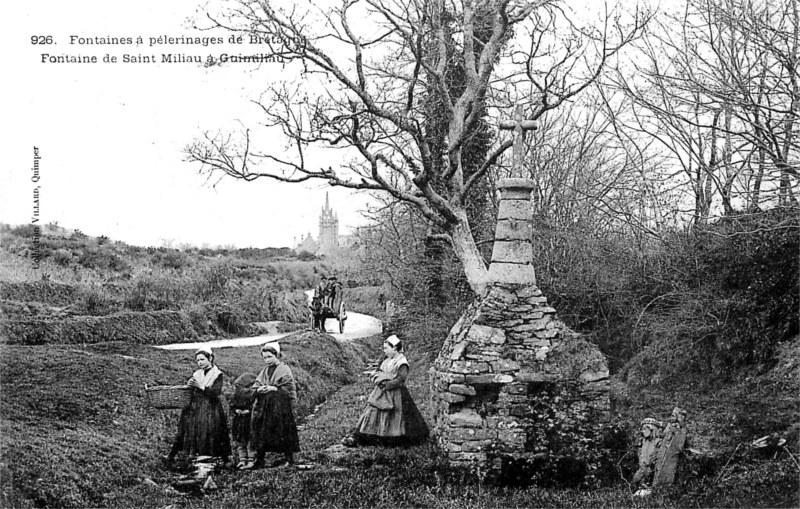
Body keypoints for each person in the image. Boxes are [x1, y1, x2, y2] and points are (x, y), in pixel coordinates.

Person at [343, 335, 429, 447]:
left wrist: (387, 384)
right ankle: (368, 434)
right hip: (381, 391)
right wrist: (379, 378)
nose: (384, 350)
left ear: (394, 348)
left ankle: (392, 437)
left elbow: (400, 380)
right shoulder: (386, 359)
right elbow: (378, 370)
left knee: (396, 416)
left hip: (396, 393)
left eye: (386, 348)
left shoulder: (402, 362)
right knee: (372, 412)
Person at [166, 347, 232, 464]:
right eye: (198, 360)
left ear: (210, 358)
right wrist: (190, 385)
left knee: (212, 430)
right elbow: (192, 391)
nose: (200, 362)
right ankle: (175, 455)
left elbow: (215, 393)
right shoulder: (197, 373)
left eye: (202, 359)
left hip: (211, 407)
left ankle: (222, 458)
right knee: (186, 428)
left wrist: (201, 386)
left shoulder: (217, 374)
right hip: (195, 405)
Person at [242, 341, 300, 469]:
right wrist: (259, 390)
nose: (267, 360)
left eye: (270, 357)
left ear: (277, 355)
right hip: (265, 408)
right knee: (261, 431)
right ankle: (260, 459)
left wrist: (274, 389)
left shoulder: (284, 370)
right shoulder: (264, 372)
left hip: (280, 407)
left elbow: (288, 390)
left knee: (283, 430)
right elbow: (256, 385)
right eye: (265, 357)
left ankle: (288, 459)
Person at [229, 372, 257, 469]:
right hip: (239, 420)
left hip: (251, 420)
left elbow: (256, 405)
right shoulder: (236, 394)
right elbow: (232, 404)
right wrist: (236, 410)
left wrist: (249, 411)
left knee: (251, 441)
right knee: (240, 441)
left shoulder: (255, 394)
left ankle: (251, 460)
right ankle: (242, 460)